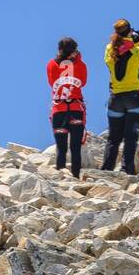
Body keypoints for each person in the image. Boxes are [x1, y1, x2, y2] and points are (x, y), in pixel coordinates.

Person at [102, 19, 139, 174]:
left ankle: (106, 169)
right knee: (130, 137)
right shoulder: (137, 48)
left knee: (113, 138)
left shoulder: (109, 48)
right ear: (130, 31)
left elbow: (107, 62)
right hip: (135, 97)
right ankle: (127, 169)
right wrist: (137, 44)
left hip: (116, 97)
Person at [47, 37, 87, 176]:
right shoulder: (80, 64)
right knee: (75, 148)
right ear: (75, 50)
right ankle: (75, 176)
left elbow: (52, 83)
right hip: (76, 109)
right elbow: (83, 82)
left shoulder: (51, 64)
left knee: (61, 148)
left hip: (59, 110)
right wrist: (78, 60)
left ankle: (61, 177)